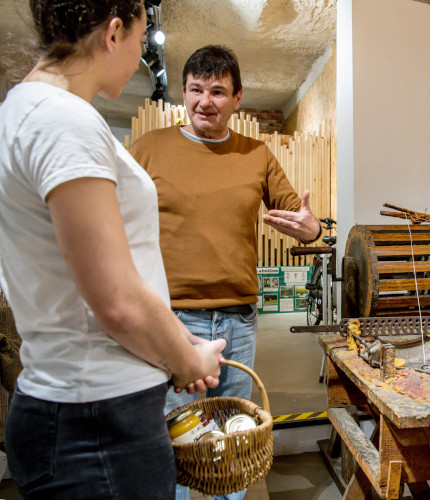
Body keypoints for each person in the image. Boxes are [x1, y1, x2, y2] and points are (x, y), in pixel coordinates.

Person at [0, 2, 227, 498]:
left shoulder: (26, 110)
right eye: (141, 42)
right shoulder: (63, 122)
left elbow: (91, 281)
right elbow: (117, 301)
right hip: (98, 424)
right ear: (114, 31)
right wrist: (186, 363)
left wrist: (174, 342)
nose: (142, 58)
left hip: (88, 412)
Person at [129, 45, 321, 500]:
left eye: (218, 91)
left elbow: (302, 219)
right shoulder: (148, 149)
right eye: (195, 90)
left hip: (240, 320)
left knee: (233, 442)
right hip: (173, 320)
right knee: (180, 443)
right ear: (183, 93)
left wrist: (310, 229)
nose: (205, 101)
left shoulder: (256, 154)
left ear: (237, 98)